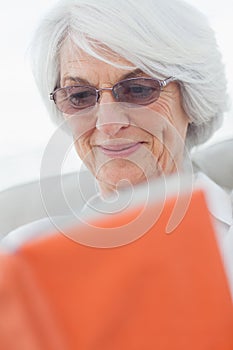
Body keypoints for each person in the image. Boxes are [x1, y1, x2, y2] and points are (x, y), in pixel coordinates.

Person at [1, 0, 233, 293]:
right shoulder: (22, 256)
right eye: (80, 96)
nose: (107, 123)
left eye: (137, 89)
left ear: (191, 98)